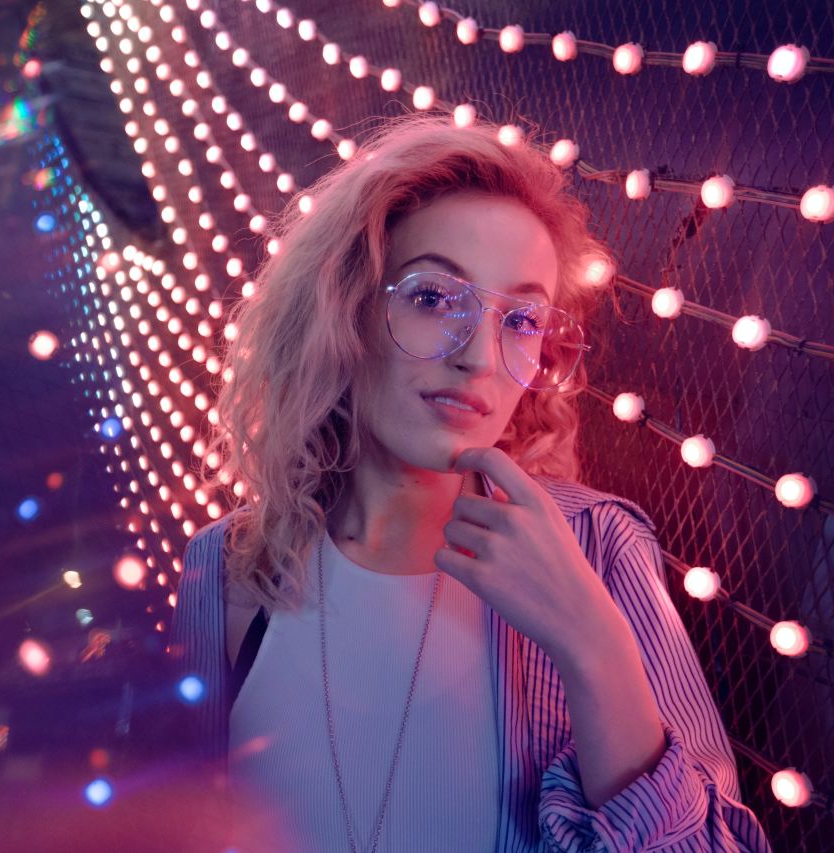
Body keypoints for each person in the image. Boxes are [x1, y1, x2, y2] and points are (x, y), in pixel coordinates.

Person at [167, 112, 772, 852]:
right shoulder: (222, 568)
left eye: (521, 319)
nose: (480, 357)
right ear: (341, 308)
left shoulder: (597, 544)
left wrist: (592, 642)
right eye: (431, 299)